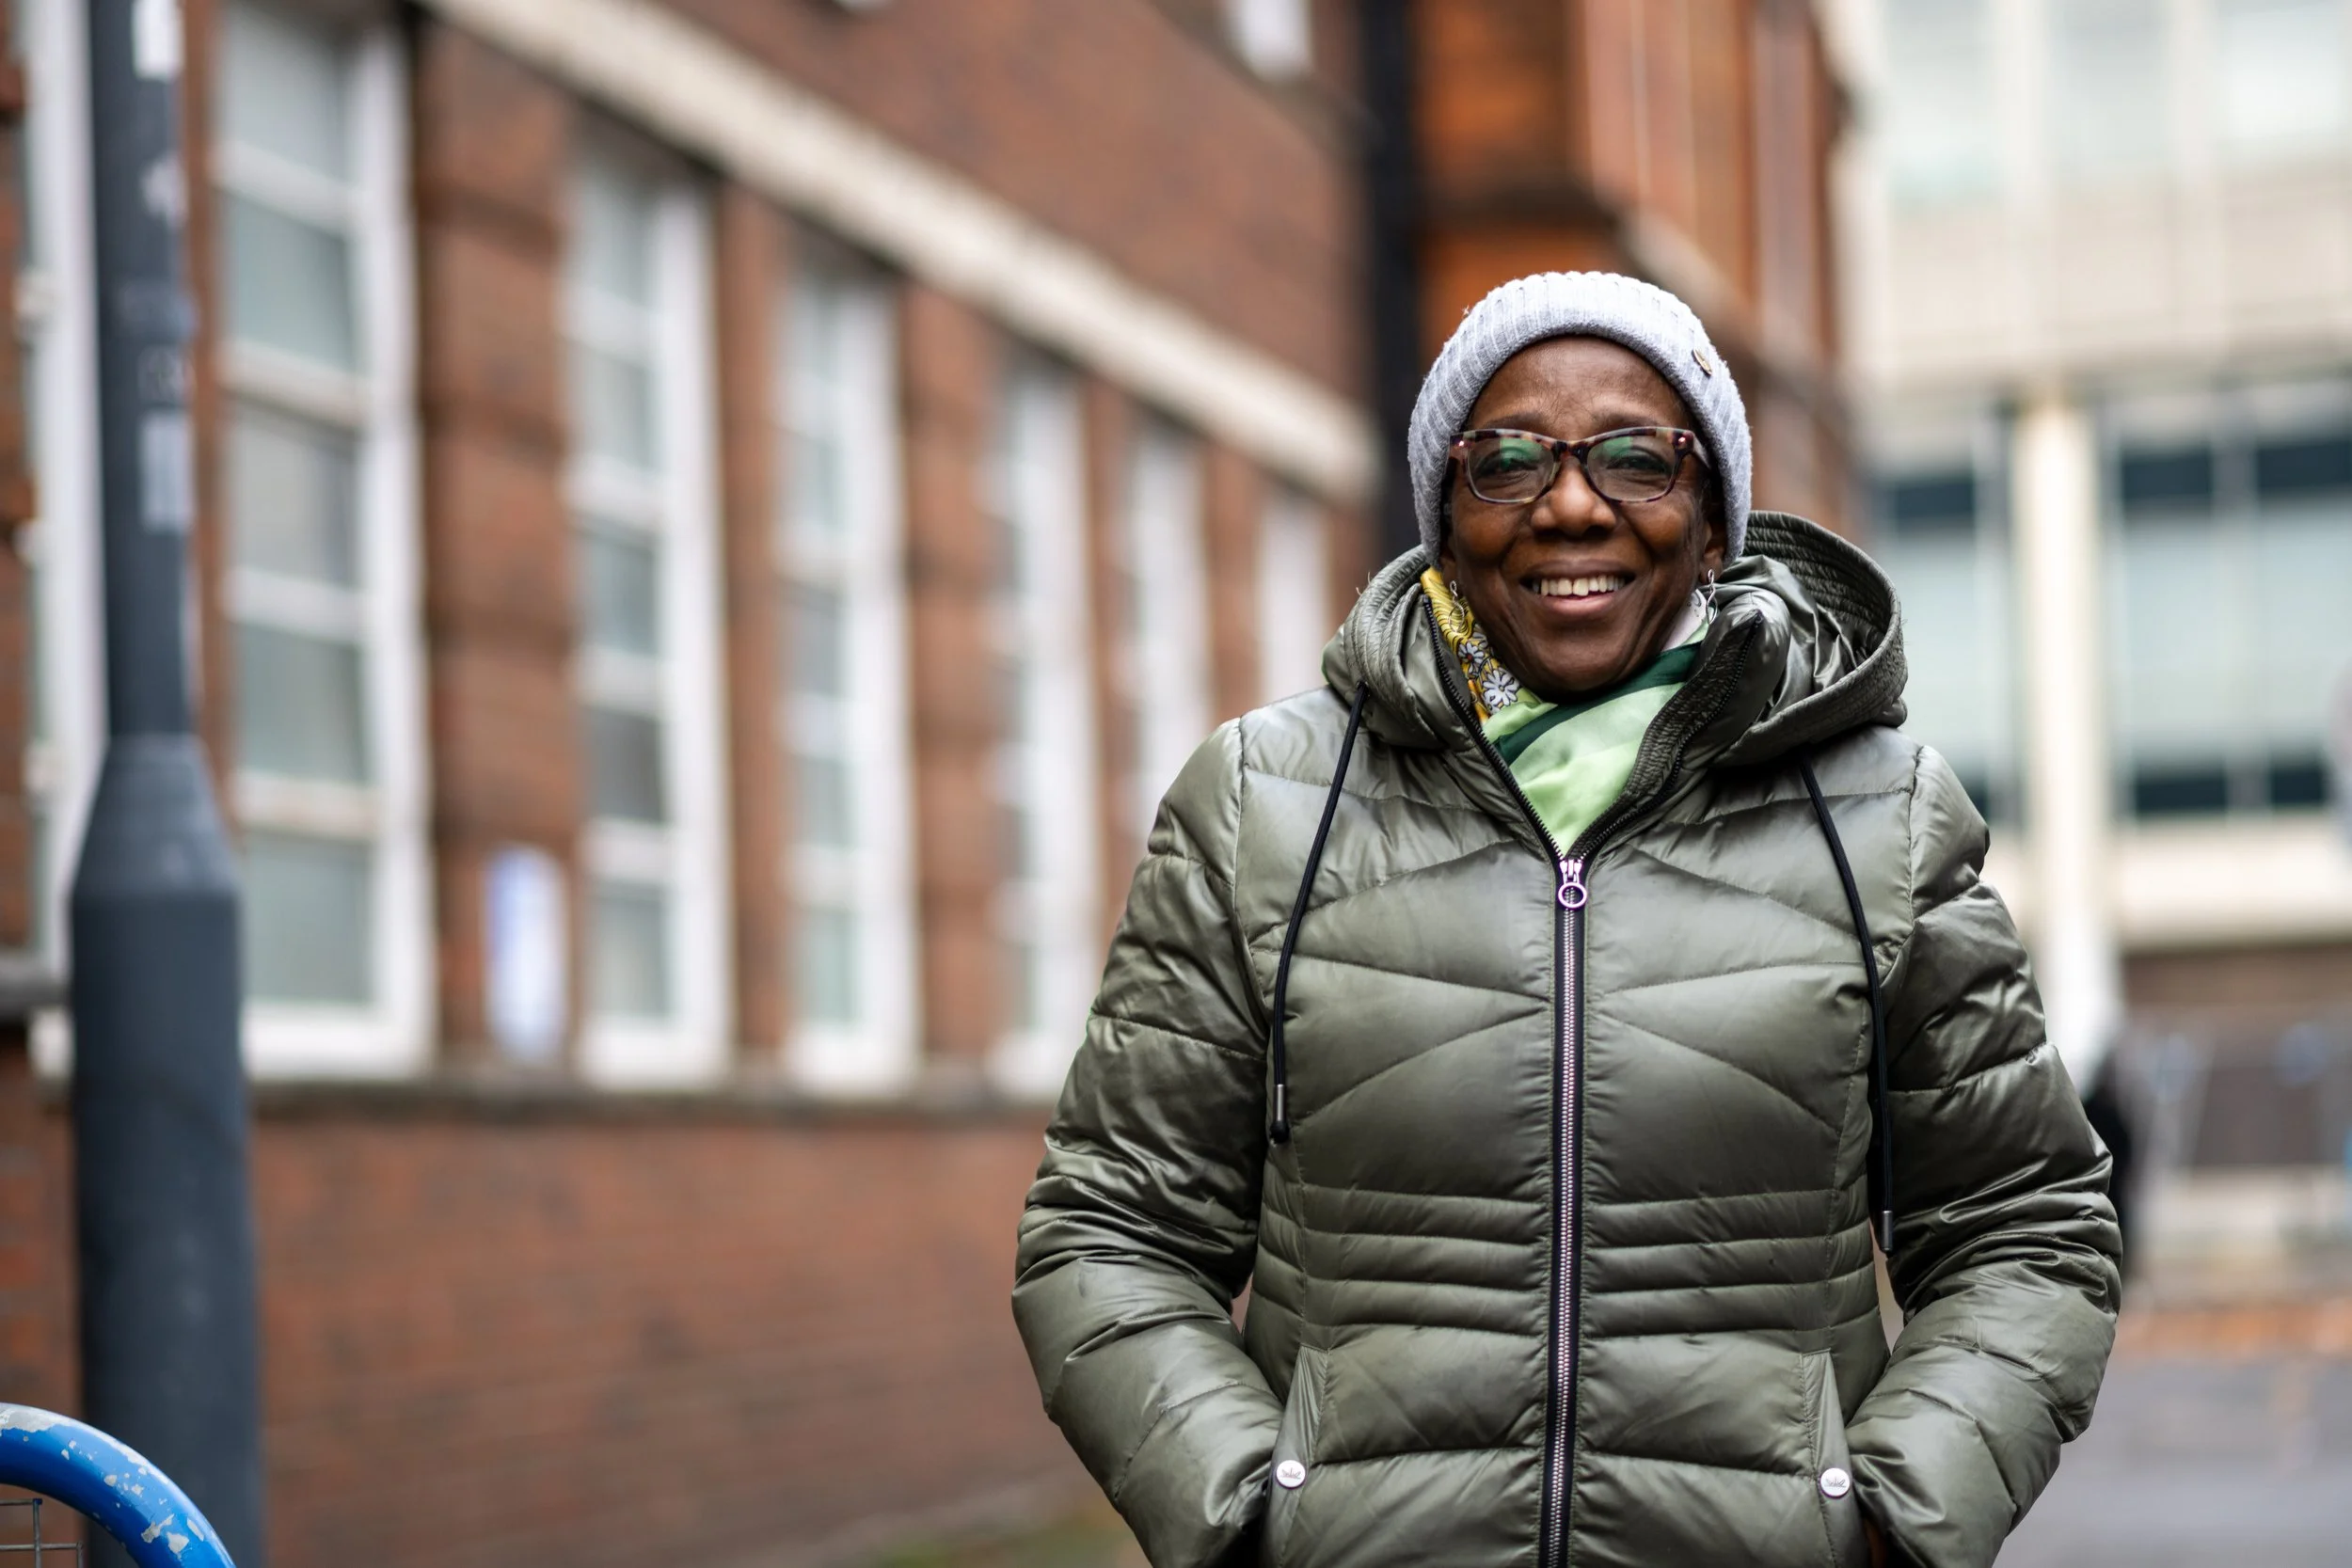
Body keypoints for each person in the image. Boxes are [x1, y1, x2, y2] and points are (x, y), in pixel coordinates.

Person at [1013, 272, 2121, 1568]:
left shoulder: (1879, 816)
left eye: (1639, 457)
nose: (1573, 501)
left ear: (1713, 521)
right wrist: (1254, 1521)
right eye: (1510, 460)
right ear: (1443, 516)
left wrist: (1885, 1525)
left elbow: (2029, 1228)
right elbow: (1108, 1229)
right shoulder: (1265, 806)